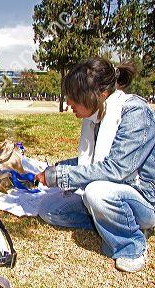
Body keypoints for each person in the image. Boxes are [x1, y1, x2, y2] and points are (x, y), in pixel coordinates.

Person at [35, 57, 155, 273]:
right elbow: (89, 162)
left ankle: (131, 245)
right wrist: (53, 169)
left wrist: (58, 176)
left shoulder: (136, 114)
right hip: (114, 190)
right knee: (50, 210)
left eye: (74, 97)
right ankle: (114, 223)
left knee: (96, 193)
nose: (69, 103)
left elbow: (115, 169)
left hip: (144, 198)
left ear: (100, 95)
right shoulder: (97, 117)